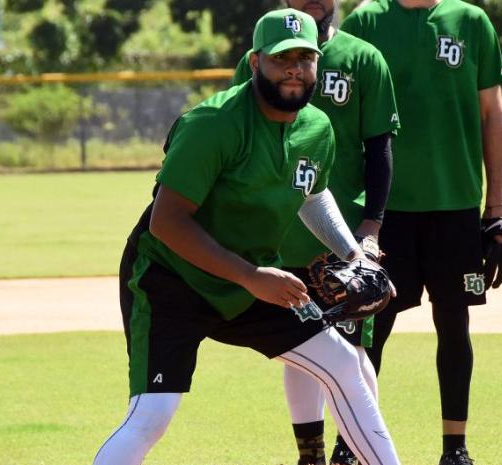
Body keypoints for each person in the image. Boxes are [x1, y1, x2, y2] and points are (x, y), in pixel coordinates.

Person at [91, 9, 401, 465]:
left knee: (343, 364)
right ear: (255, 63)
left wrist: (357, 256)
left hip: (251, 277)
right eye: (282, 58)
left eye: (306, 58)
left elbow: (311, 197)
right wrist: (253, 277)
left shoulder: (317, 129)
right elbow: (167, 222)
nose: (295, 68)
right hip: (170, 279)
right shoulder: (213, 124)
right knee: (152, 415)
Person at [341, 1, 502, 464]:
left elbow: (492, 112)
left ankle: (454, 448)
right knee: (367, 328)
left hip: (454, 205)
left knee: (454, 325)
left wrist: (495, 203)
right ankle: (350, 442)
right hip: (382, 210)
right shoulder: (365, 20)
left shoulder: (470, 21)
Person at [231, 1, 400, 464]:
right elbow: (240, 138)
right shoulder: (259, 59)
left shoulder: (363, 58)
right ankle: (312, 455)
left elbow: (379, 148)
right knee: (298, 349)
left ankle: (354, 451)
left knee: (350, 351)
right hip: (277, 239)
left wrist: (369, 229)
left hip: (339, 241)